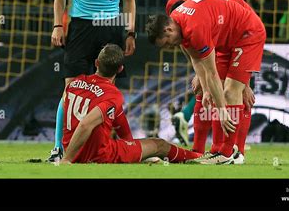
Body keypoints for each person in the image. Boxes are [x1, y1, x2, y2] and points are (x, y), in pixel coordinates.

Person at [146, 0, 266, 164]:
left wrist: (223, 110)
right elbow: (194, 57)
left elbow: (210, 73)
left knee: (231, 93)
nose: (169, 47)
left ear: (169, 29)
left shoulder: (196, 27)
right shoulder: (175, 11)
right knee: (207, 91)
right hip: (224, 38)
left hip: (247, 34)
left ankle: (228, 153)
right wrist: (206, 88)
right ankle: (212, 150)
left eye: (167, 43)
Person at [49, 0, 138, 162]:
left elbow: (129, 1)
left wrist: (130, 33)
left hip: (111, 26)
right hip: (80, 27)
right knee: (71, 91)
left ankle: (109, 144)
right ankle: (58, 147)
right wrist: (58, 25)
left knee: (108, 92)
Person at [60, 44, 201, 164]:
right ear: (120, 69)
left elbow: (73, 116)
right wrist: (67, 160)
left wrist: (132, 147)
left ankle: (135, 154)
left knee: (117, 119)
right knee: (160, 145)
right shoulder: (112, 95)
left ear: (96, 63)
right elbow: (86, 124)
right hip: (98, 155)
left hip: (72, 148)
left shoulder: (75, 83)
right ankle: (199, 158)